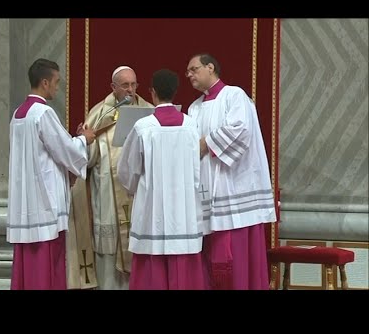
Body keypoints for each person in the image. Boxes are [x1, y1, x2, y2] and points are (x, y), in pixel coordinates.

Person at [186, 53, 277, 290]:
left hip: (234, 187)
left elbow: (241, 130)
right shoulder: (194, 108)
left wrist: (206, 143)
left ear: (210, 67)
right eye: (188, 72)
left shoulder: (234, 96)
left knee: (235, 261)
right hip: (206, 190)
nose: (189, 75)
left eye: (194, 69)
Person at [7, 58, 95, 290]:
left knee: (28, 265)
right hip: (45, 202)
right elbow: (65, 150)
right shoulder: (43, 113)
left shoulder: (19, 114)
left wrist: (72, 142)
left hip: (26, 202)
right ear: (45, 82)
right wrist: (83, 140)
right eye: (56, 81)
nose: (58, 86)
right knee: (47, 266)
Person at [117, 69, 207, 290]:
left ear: (153, 92)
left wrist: (132, 190)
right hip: (183, 212)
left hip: (152, 213)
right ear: (175, 92)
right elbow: (197, 170)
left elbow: (127, 170)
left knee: (152, 268)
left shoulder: (143, 128)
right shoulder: (190, 125)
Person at [68, 65, 153, 290]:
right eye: (125, 85)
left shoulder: (148, 111)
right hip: (107, 195)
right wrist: (84, 142)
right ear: (113, 87)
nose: (130, 90)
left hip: (138, 197)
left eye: (134, 84)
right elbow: (88, 159)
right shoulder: (100, 114)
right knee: (108, 255)